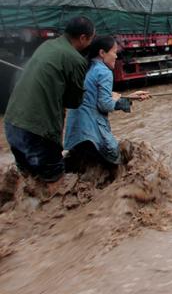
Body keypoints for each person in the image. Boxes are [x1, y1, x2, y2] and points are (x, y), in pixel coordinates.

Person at [3, 16, 95, 182]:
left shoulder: (47, 45)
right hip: (38, 131)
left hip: (12, 124)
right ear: (83, 38)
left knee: (29, 181)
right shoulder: (76, 59)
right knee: (55, 184)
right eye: (91, 38)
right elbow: (74, 102)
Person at [63, 36, 150, 166]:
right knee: (119, 163)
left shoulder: (86, 68)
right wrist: (116, 100)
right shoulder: (104, 71)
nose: (116, 56)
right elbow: (105, 104)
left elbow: (93, 97)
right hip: (93, 133)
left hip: (75, 134)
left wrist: (130, 98)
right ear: (102, 53)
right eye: (114, 52)